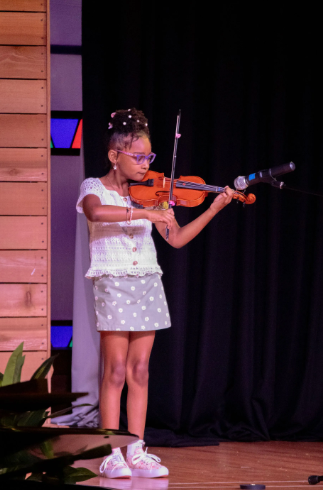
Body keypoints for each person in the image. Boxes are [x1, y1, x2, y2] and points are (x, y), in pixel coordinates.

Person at [76, 108, 234, 479]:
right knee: (114, 370)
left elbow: (176, 238)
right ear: (115, 156)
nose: (146, 164)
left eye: (150, 157)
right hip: (112, 281)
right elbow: (97, 215)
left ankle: (135, 447)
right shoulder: (93, 188)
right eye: (139, 156)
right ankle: (110, 449)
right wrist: (144, 216)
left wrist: (213, 208)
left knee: (141, 371)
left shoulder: (154, 197)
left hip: (148, 281)